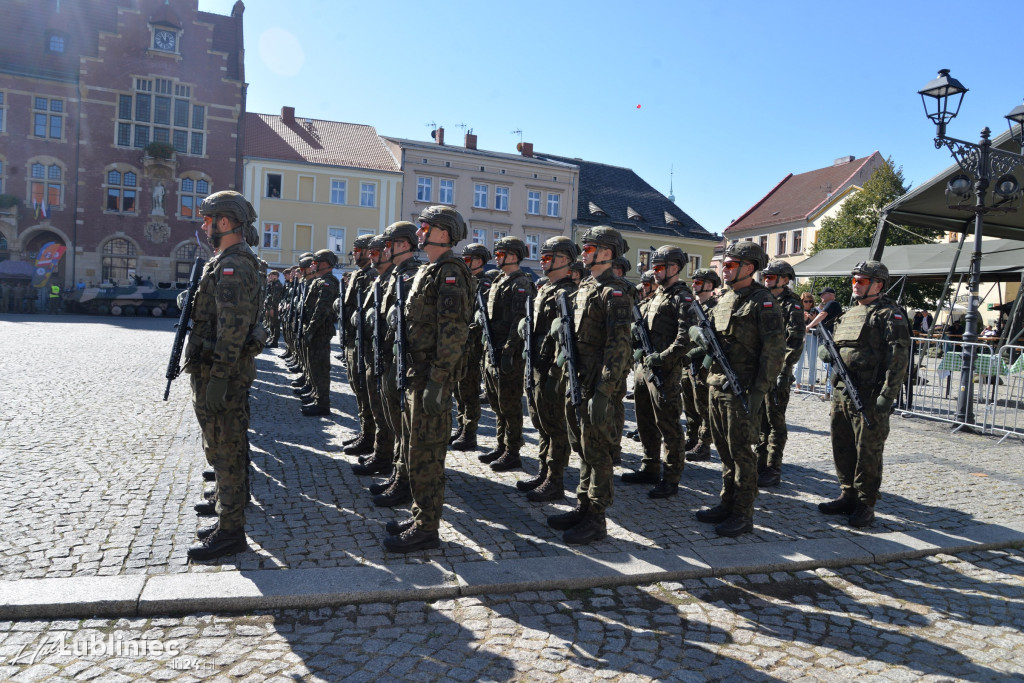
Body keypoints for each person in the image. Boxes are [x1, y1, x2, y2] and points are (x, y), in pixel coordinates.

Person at [383, 206, 472, 553]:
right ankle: (421, 515)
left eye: (426, 227)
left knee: (426, 454)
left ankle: (427, 529)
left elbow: (453, 334)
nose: (419, 233)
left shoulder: (450, 273)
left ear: (444, 233)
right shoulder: (428, 271)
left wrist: (437, 381)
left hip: (429, 379)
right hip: (414, 375)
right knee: (411, 449)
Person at [184, 190, 264, 561]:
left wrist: (217, 379)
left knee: (225, 450)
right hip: (220, 370)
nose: (204, 226)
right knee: (226, 447)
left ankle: (231, 531)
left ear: (226, 223)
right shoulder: (227, 261)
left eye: (208, 219)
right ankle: (226, 515)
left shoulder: (234, 265)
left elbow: (232, 329)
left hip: (223, 375)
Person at [548, 226, 635, 545]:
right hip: (578, 381)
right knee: (583, 450)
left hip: (598, 386)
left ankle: (597, 519)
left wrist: (605, 392)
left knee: (598, 453)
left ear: (608, 253)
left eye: (591, 248)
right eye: (584, 248)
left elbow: (618, 347)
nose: (583, 253)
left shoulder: (615, 291)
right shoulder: (586, 285)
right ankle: (583, 506)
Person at [692, 240, 785, 538]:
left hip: (742, 389)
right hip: (716, 385)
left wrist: (760, 391)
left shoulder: (763, 301)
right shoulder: (725, 300)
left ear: (750, 267)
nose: (725, 270)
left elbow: (774, 350)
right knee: (724, 451)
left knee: (742, 453)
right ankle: (727, 502)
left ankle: (744, 514)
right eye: (725, 265)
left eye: (731, 265)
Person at [817, 261, 910, 528]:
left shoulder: (889, 314)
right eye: (854, 281)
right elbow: (834, 345)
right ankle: (847, 494)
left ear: (878, 284)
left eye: (861, 281)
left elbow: (898, 358)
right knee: (842, 445)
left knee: (867, 451)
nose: (855, 285)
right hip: (841, 392)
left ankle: (866, 504)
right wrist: (826, 352)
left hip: (869, 395)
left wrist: (887, 396)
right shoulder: (848, 314)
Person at [622, 246, 697, 499]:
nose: (653, 272)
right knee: (644, 420)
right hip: (645, 368)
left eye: (659, 267)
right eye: (653, 267)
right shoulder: (656, 296)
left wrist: (662, 358)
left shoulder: (681, 297)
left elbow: (686, 337)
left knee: (668, 424)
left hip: (665, 371)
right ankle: (650, 466)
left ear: (674, 268)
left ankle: (672, 476)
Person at [519, 236, 580, 501]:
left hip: (553, 371)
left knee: (555, 426)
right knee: (541, 423)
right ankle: (544, 471)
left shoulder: (570, 293)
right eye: (542, 257)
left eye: (548, 258)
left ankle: (555, 479)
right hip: (537, 366)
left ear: (565, 260)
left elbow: (570, 336)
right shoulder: (545, 289)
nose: (542, 261)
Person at [366, 222, 422, 507]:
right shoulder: (394, 276)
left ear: (403, 245)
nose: (384, 250)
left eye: (389, 245)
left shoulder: (412, 275)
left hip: (403, 361)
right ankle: (399, 474)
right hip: (389, 357)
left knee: (404, 427)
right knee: (395, 423)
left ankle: (406, 481)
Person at [479, 236, 535, 472]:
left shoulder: (520, 282)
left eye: (501, 254)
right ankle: (501, 445)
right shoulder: (501, 280)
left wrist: (509, 350)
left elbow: (519, 321)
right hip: (493, 349)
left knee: (510, 404)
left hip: (507, 353)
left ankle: (513, 451)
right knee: (497, 402)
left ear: (513, 256)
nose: (497, 257)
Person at [755, 260, 806, 488]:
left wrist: (782, 371)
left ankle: (773, 468)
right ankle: (760, 462)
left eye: (772, 276)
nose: (766, 279)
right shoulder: (763, 299)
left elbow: (794, 341)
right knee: (759, 420)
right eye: (765, 275)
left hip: (777, 372)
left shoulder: (792, 304)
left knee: (775, 422)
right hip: (759, 370)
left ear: (784, 279)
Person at [351, 235, 396, 471]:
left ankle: (384, 456)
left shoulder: (393, 280)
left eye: (375, 252)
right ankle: (379, 450)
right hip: (371, 350)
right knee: (375, 406)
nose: (371, 256)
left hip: (386, 355)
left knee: (384, 410)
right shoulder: (379, 279)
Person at [450, 243, 496, 452]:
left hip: (473, 346)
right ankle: (461, 426)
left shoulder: (484, 284)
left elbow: (481, 317)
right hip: (460, 343)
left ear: (479, 261)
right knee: (459, 390)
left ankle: (470, 433)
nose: (464, 261)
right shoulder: (466, 281)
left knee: (469, 391)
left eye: (468, 258)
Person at [339, 236, 377, 455]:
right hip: (353, 339)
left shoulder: (371, 275)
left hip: (363, 340)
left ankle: (371, 436)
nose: (354, 254)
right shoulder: (359, 275)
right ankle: (365, 431)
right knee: (357, 387)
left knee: (365, 389)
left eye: (357, 250)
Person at [682, 268, 721, 462]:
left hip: (703, 365)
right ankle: (691, 437)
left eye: (699, 282)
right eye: (694, 281)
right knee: (689, 404)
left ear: (710, 285)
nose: (694, 284)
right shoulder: (693, 307)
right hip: (688, 364)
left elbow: (711, 342)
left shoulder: (715, 308)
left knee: (704, 407)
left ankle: (704, 444)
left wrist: (690, 354)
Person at [298, 250, 340, 417]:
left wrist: (310, 331)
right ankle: (317, 397)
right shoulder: (319, 280)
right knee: (314, 366)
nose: (313, 265)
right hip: (314, 331)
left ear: (325, 263)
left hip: (320, 332)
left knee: (320, 368)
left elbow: (321, 310)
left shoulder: (328, 282)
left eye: (316, 262)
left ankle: (323, 403)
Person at [806, 287, 841, 393]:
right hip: (828, 338)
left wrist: (809, 326)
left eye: (823, 294)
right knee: (828, 366)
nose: (821, 296)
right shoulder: (830, 305)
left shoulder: (832, 303)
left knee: (830, 366)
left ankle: (830, 391)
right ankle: (830, 391)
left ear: (831, 295)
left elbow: (822, 315)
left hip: (830, 338)